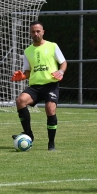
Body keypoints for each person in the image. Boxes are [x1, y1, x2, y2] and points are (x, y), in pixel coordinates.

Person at [11, 20, 67, 151]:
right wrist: (22, 76)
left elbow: (63, 62)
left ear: (43, 32)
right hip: (35, 87)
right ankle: (28, 134)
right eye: (33, 32)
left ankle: (51, 143)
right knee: (20, 101)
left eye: (38, 31)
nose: (35, 34)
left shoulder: (52, 46)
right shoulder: (28, 51)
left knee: (50, 108)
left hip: (50, 85)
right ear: (30, 33)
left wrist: (61, 71)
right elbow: (27, 72)